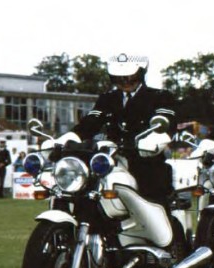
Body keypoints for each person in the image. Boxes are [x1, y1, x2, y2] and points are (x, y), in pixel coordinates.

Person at [74, 53, 177, 210]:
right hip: (112, 160)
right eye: (118, 78)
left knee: (157, 204)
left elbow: (166, 121)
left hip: (146, 159)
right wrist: (71, 137)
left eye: (130, 77)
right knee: (87, 194)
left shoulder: (160, 97)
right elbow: (91, 122)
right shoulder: (107, 99)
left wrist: (154, 139)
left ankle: (171, 233)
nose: (124, 82)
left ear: (141, 75)